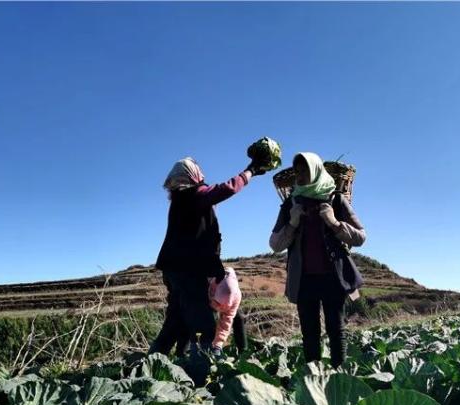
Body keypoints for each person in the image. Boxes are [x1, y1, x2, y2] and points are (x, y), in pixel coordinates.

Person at [149, 156, 266, 381]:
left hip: (174, 269)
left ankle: (149, 367)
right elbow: (225, 190)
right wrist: (250, 171)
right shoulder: (193, 195)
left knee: (175, 321)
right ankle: (200, 375)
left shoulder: (180, 200)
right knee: (203, 324)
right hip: (188, 271)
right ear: (191, 176)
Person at [269, 152, 366, 369]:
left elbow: (360, 236)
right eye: (298, 171)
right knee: (309, 333)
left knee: (336, 329)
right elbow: (275, 245)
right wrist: (292, 223)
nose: (300, 175)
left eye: (305, 170)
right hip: (304, 280)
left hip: (334, 277)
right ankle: (313, 381)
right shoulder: (290, 204)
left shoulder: (336, 199)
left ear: (316, 171)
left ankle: (340, 378)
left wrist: (334, 222)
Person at [174, 266, 247, 358]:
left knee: (237, 318)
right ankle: (182, 354)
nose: (217, 306)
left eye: (219, 305)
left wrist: (218, 344)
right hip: (193, 292)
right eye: (216, 302)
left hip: (214, 296)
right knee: (192, 321)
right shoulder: (206, 283)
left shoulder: (235, 299)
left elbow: (226, 323)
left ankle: (243, 353)